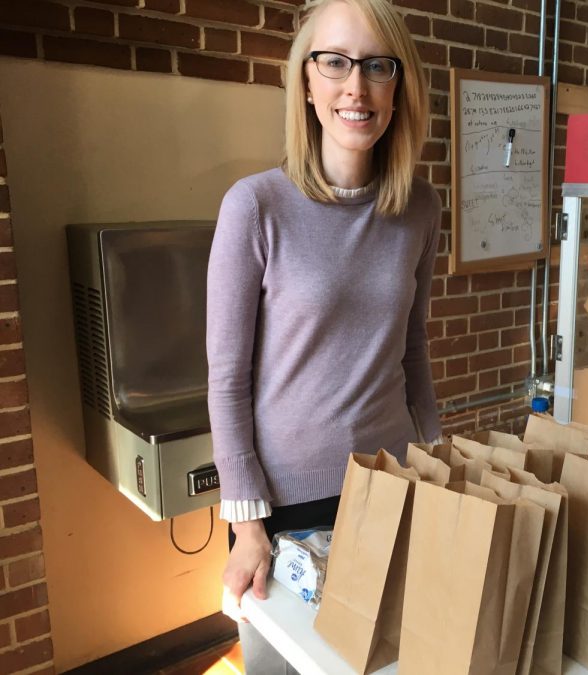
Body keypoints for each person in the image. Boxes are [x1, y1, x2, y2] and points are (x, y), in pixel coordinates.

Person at [206, 0, 441, 669]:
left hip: (389, 485)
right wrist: (246, 525)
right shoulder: (254, 206)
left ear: (399, 88)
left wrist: (436, 457)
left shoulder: (420, 207)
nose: (355, 86)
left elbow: (413, 346)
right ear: (306, 81)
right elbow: (227, 380)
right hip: (283, 507)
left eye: (377, 66)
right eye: (334, 62)